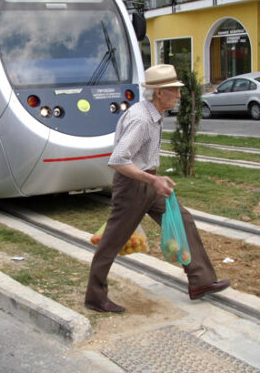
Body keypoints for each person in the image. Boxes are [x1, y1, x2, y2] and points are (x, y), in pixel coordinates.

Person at [85, 64, 230, 313]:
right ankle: (95, 297)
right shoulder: (141, 119)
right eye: (174, 90)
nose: (179, 94)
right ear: (159, 93)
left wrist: (154, 178)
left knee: (183, 220)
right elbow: (118, 160)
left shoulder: (152, 114)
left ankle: (201, 282)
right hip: (133, 187)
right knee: (112, 241)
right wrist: (152, 180)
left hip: (149, 183)